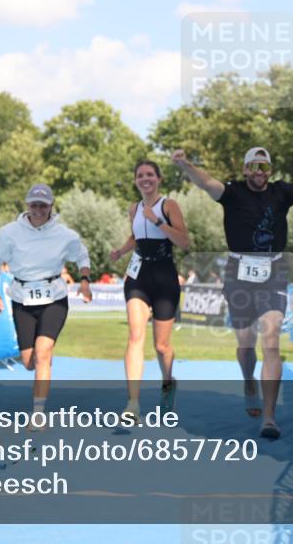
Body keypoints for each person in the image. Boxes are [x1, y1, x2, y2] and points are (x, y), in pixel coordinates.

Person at [172, 146, 293, 439]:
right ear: (245, 169)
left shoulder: (282, 192)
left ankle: (269, 417)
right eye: (253, 166)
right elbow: (206, 182)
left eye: (264, 167)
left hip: (273, 273)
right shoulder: (232, 192)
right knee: (245, 344)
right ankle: (248, 380)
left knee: (271, 341)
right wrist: (185, 165)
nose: (259, 172)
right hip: (239, 274)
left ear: (270, 170)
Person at [0, 183, 93, 425]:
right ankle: (41, 363)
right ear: (27, 205)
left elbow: (82, 256)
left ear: (51, 206)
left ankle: (38, 414)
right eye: (34, 204)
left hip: (54, 297)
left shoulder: (65, 234)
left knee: (43, 353)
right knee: (29, 362)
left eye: (43, 205)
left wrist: (85, 281)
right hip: (21, 298)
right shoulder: (9, 232)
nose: (38, 210)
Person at [109, 160, 190, 423]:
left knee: (161, 346)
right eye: (141, 175)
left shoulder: (169, 205)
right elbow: (136, 237)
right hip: (138, 277)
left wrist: (158, 221)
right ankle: (132, 404)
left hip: (165, 278)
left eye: (150, 175)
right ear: (135, 180)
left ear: (159, 178)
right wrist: (121, 251)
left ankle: (168, 382)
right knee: (135, 335)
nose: (145, 179)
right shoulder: (134, 208)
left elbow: (184, 241)